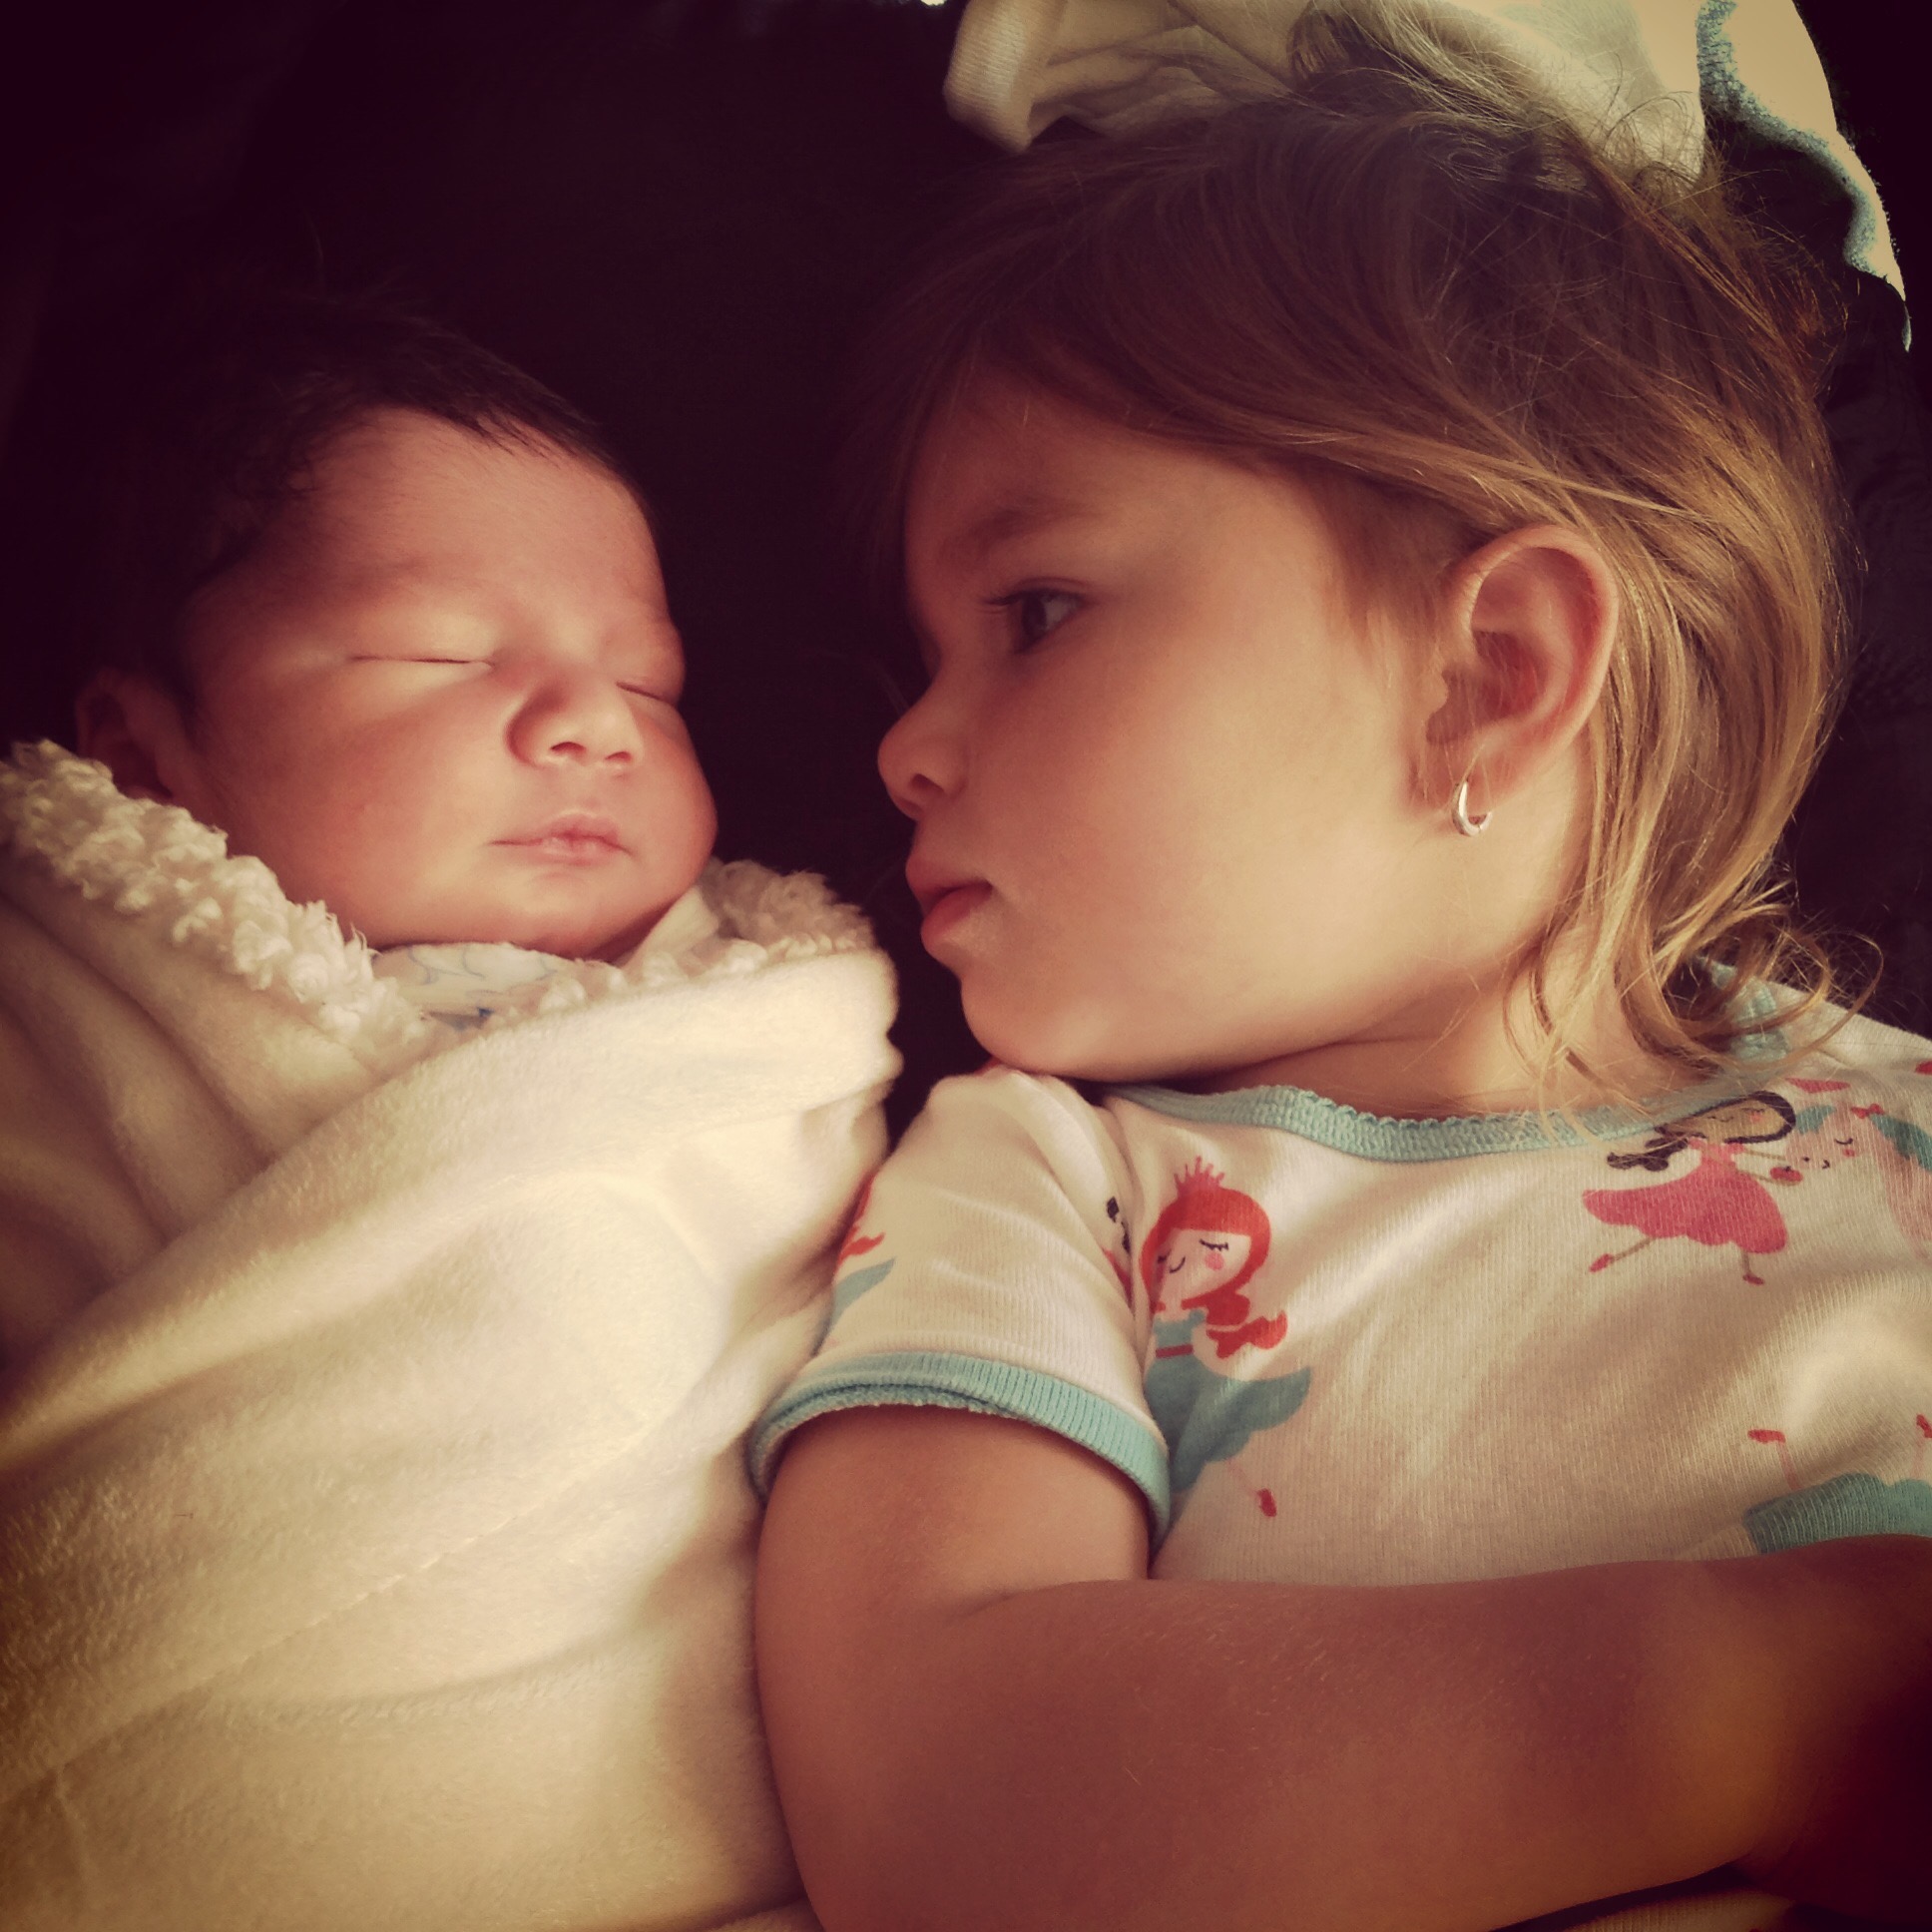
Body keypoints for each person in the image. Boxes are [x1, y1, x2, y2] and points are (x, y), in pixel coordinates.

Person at [749, 20, 1932, 1932]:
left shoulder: (1908, 1127)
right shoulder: (1045, 1187)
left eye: (1033, 614)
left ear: (1489, 675)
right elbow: (926, 1792)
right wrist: (1790, 1700)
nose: (906, 749)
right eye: (924, 660)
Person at [0, 295, 895, 1930]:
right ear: (144, 751)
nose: (592, 724)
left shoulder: (758, 1042)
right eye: (441, 655)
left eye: (652, 684)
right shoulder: (59, 1003)